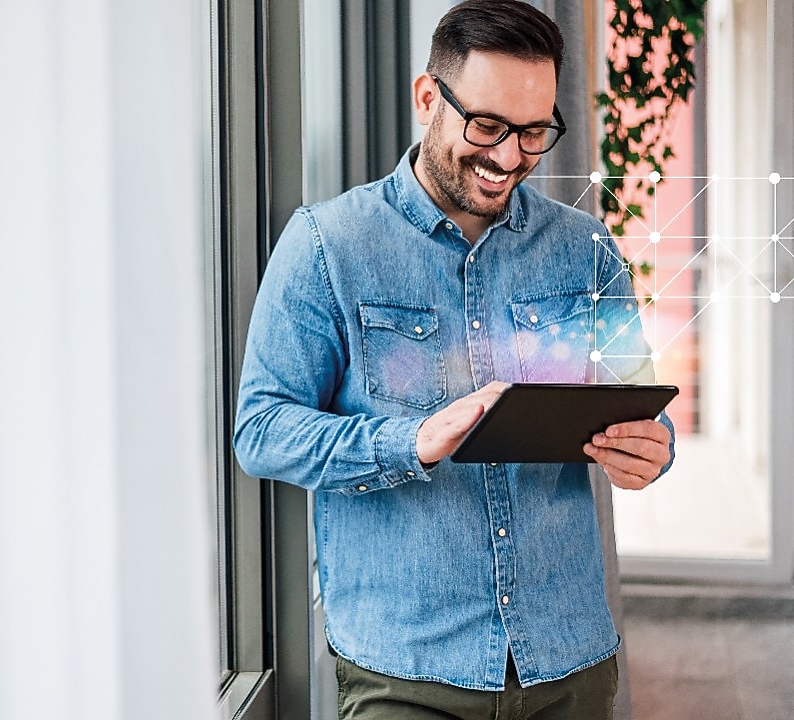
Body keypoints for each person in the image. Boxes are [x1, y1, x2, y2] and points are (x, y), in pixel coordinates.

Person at [231, 1, 675, 718]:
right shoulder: (327, 245)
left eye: (533, 133)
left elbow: (637, 399)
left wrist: (652, 451)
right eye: (489, 126)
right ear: (426, 98)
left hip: (567, 661)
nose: (509, 158)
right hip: (404, 672)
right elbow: (261, 430)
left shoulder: (586, 250)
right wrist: (408, 442)